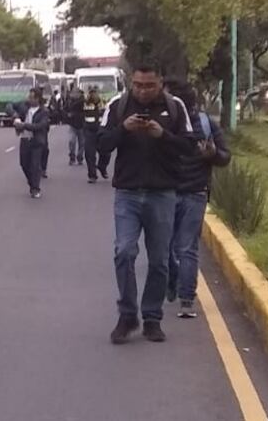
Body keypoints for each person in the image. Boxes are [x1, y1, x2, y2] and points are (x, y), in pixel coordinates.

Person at [98, 64, 195, 344]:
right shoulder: (118, 105)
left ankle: (152, 317)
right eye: (138, 84)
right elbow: (102, 144)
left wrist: (162, 135)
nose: (142, 90)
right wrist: (123, 129)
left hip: (162, 193)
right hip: (127, 193)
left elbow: (190, 147)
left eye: (149, 85)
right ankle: (127, 314)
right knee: (124, 252)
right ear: (132, 82)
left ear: (160, 83)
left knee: (159, 260)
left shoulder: (175, 108)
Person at [165, 82, 231, 319]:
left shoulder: (204, 125)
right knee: (172, 247)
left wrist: (213, 154)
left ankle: (185, 297)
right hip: (169, 193)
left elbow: (225, 157)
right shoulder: (165, 125)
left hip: (192, 193)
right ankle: (179, 290)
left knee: (184, 247)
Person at [13, 88, 51, 199]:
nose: (29, 99)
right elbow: (9, 106)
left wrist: (24, 125)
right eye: (29, 96)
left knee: (35, 165)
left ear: (37, 99)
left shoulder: (44, 112)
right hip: (25, 139)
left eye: (31, 97)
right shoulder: (25, 108)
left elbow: (40, 126)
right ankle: (32, 182)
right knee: (24, 164)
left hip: (37, 141)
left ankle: (35, 188)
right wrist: (15, 117)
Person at [82, 86, 109, 183]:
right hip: (89, 131)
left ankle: (102, 167)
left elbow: (108, 114)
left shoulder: (103, 102)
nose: (92, 95)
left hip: (101, 130)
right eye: (91, 93)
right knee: (89, 154)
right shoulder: (85, 102)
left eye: (94, 93)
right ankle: (92, 175)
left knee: (105, 152)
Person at [65, 86, 86, 166]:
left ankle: (80, 157)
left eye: (75, 92)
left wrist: (73, 114)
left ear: (79, 93)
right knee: (72, 141)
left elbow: (85, 112)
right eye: (73, 92)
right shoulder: (69, 101)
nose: (74, 94)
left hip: (82, 124)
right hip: (72, 124)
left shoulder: (83, 101)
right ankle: (72, 157)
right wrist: (67, 116)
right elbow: (65, 109)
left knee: (82, 143)